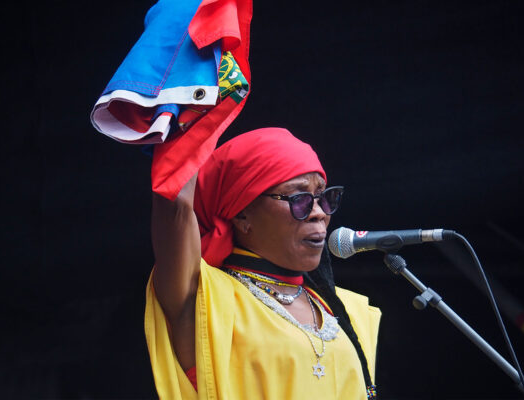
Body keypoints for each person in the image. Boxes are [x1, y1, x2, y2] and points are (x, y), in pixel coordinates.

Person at [145, 127, 381, 399]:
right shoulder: (203, 296)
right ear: (242, 215)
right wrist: (189, 123)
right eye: (299, 199)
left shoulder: (346, 310)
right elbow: (175, 203)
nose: (318, 213)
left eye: (323, 197)